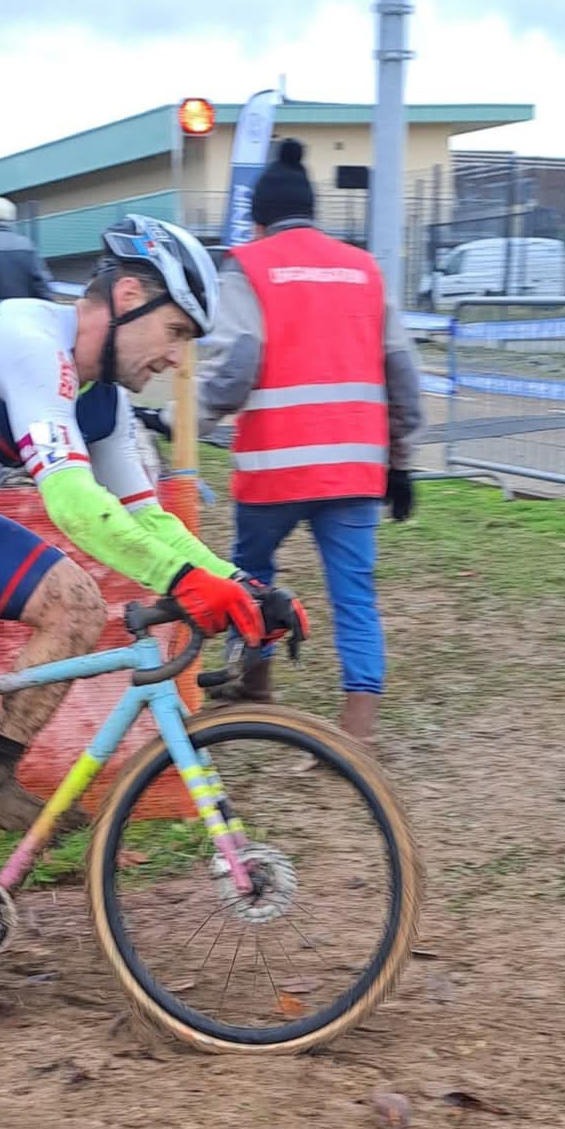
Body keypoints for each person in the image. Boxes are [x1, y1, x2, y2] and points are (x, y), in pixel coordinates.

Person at [0, 215, 307, 988]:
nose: (176, 358)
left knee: (75, 606)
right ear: (128, 296)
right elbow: (72, 503)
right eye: (175, 331)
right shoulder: (28, 342)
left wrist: (240, 584)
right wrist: (184, 582)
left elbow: (146, 517)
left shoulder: (102, 400)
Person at [137, 139, 423, 750]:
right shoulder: (364, 268)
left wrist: (179, 420)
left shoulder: (250, 265)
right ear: (313, 213)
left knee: (253, 577)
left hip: (276, 469)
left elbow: (237, 366)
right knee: (354, 593)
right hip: (355, 468)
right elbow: (401, 370)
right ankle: (356, 732)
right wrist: (401, 462)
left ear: (259, 220)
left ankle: (257, 684)